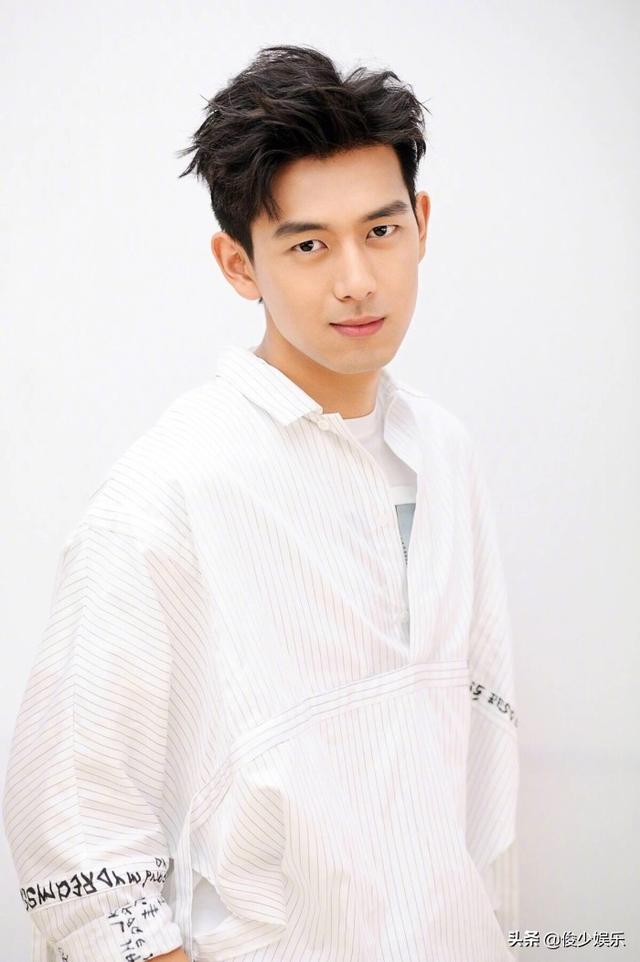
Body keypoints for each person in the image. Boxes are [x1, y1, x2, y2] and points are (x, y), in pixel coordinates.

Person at [2, 43, 520, 962]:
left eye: (381, 230)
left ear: (422, 224)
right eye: (308, 245)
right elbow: (77, 831)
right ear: (239, 265)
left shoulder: (445, 453)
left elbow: (480, 754)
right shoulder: (168, 492)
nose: (356, 279)